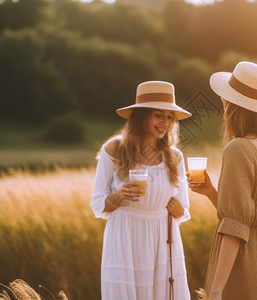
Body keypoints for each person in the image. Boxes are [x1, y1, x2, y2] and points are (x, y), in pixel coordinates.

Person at [189, 61, 257, 300]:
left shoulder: (238, 148)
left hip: (247, 265)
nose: (222, 102)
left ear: (233, 105)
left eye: (225, 98)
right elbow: (251, 215)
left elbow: (236, 227)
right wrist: (211, 192)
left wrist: (216, 291)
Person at [90, 80, 192, 300]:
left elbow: (183, 210)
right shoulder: (114, 149)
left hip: (163, 240)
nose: (165, 122)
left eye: (169, 117)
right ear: (141, 116)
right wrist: (118, 196)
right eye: (158, 115)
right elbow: (97, 203)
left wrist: (179, 211)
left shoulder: (174, 157)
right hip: (124, 236)